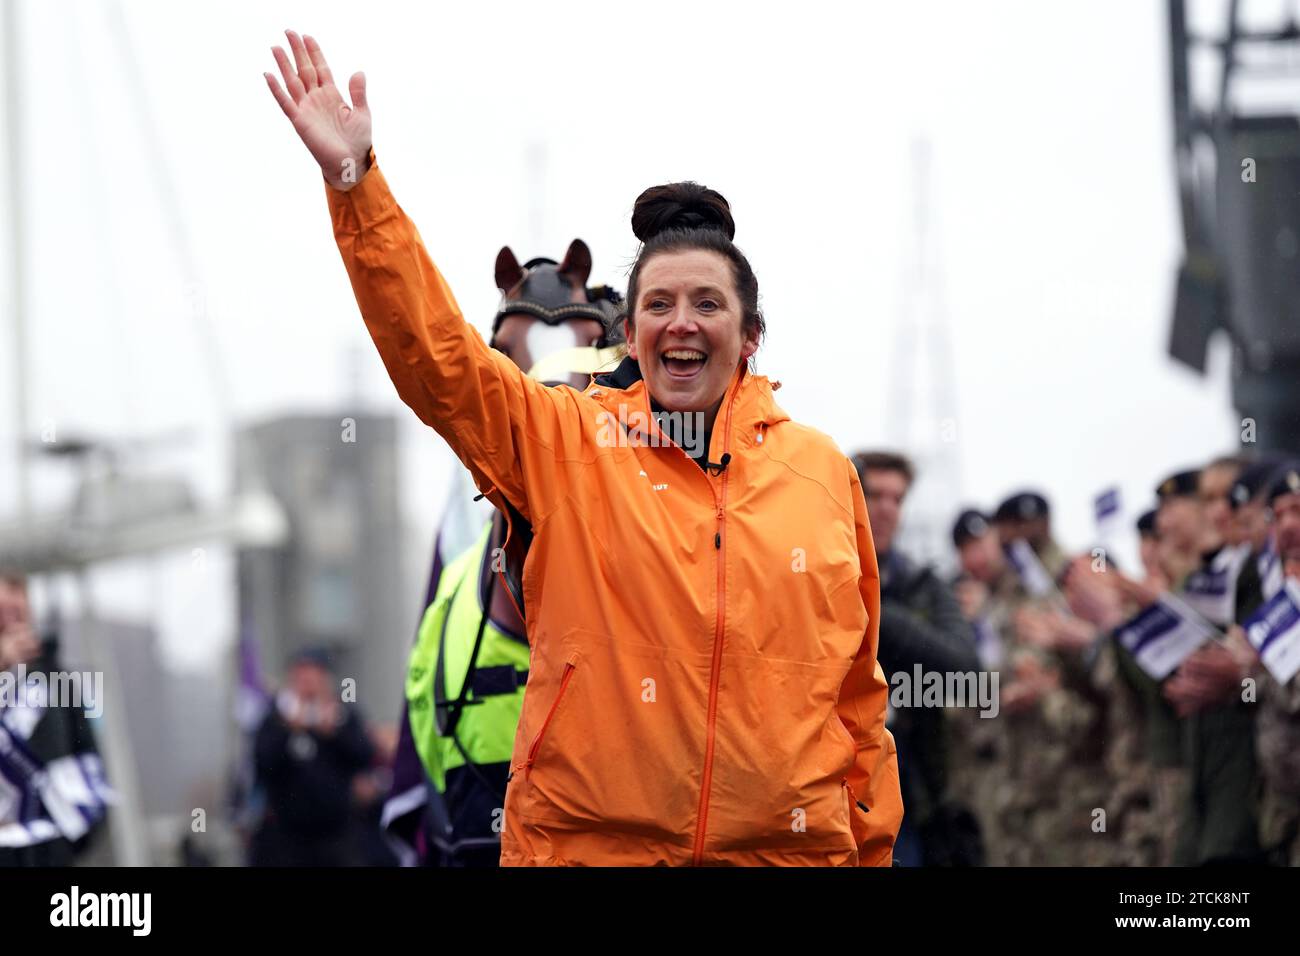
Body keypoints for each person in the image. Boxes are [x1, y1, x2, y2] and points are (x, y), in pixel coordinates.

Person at [265, 30, 902, 866]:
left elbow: (857, 704)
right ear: (631, 336)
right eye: (660, 304)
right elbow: (440, 363)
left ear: (750, 336)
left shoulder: (822, 475)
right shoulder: (566, 445)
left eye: (707, 303)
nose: (683, 322)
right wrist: (357, 187)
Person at [852, 452, 980, 866]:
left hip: (911, 786)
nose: (887, 509)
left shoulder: (922, 585)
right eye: (875, 495)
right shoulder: (810, 573)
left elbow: (967, 673)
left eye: (897, 498)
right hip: (827, 785)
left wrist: (876, 607)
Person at [251, 649, 376, 866]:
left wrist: (336, 732)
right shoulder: (274, 718)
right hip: (286, 835)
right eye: (301, 675)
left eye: (314, 675)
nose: (307, 682)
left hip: (336, 833)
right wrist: (288, 731)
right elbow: (262, 764)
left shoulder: (343, 714)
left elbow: (365, 756)